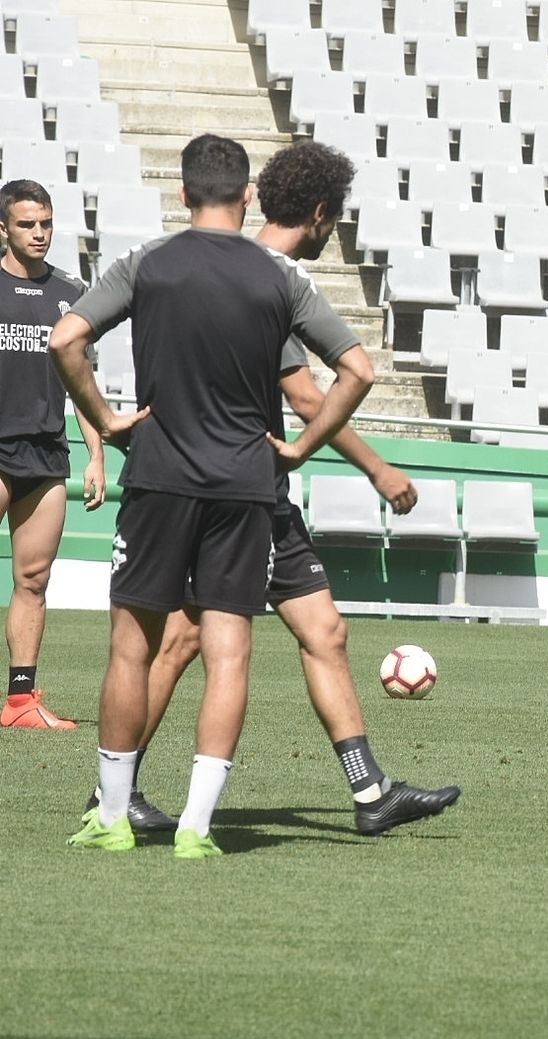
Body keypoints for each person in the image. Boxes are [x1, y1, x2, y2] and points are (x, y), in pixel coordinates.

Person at [86, 141, 459, 837]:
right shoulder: (266, 277)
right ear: (319, 212)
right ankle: (116, 789)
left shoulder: (233, 266)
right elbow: (309, 395)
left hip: (248, 491)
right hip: (237, 488)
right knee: (180, 640)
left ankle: (369, 788)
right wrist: (374, 466)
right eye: (334, 220)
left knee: (324, 629)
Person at [52, 133, 375, 859]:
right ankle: (197, 825)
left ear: (184, 193)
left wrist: (104, 419)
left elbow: (64, 341)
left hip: (160, 475)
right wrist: (301, 446)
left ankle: (110, 816)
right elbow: (357, 369)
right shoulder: (280, 276)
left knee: (132, 647)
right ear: (248, 194)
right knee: (229, 653)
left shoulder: (148, 263)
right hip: (245, 486)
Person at [0, 179, 105, 731]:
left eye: (44, 223)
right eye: (26, 224)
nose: (38, 234)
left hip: (45, 453)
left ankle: (20, 703)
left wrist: (96, 455)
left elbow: (81, 382)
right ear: (3, 228)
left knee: (34, 578)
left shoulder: (72, 292)